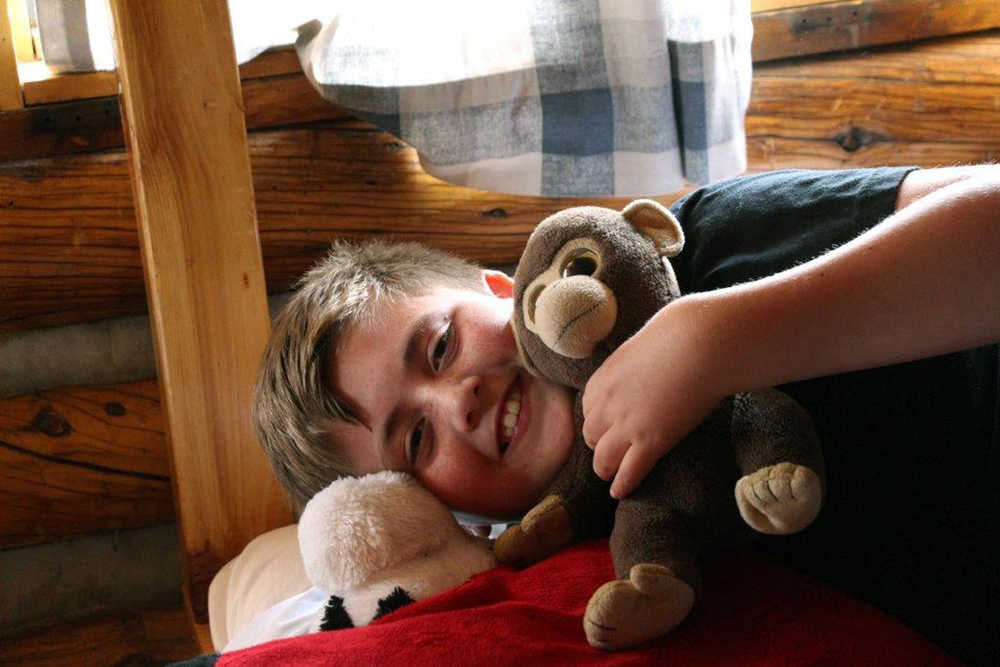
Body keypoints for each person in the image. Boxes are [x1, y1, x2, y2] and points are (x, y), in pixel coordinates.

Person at [253, 165, 998, 665]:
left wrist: (719, 339)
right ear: (433, 507)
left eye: (442, 345)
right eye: (417, 439)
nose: (459, 402)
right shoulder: (577, 568)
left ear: (502, 285)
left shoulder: (682, 252)